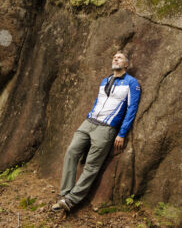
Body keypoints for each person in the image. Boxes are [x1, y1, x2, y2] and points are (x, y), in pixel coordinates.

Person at [52, 51, 141, 212]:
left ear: (126, 64)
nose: (115, 58)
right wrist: (89, 117)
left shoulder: (131, 83)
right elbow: (98, 102)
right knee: (72, 151)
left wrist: (121, 133)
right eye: (114, 57)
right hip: (88, 123)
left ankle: (71, 200)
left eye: (119, 57)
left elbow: (131, 109)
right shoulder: (104, 81)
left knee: (92, 166)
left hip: (106, 128)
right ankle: (63, 194)